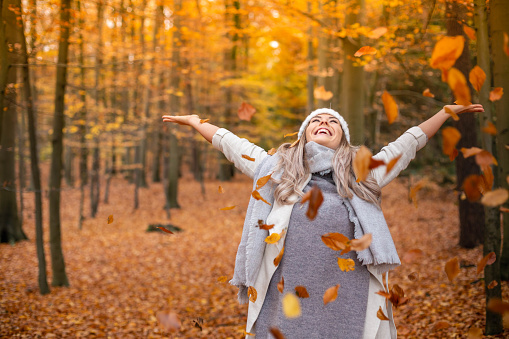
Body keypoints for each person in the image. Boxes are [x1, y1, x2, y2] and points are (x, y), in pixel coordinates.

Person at [162, 104, 483, 339]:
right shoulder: (276, 168)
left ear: (342, 137)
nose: (324, 121)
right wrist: (195, 123)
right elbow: (235, 146)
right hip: (286, 295)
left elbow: (404, 146)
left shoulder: (364, 170)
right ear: (304, 134)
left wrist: (443, 113)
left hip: (349, 295)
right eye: (316, 119)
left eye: (332, 120)